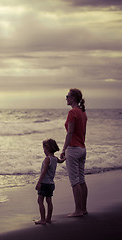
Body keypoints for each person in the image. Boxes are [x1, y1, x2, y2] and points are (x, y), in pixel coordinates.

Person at [60, 88, 88, 217]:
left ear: (73, 98)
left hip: (73, 149)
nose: (66, 98)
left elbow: (70, 133)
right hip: (82, 148)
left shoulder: (72, 112)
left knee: (75, 181)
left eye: (67, 96)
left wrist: (64, 149)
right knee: (81, 180)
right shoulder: (82, 112)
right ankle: (83, 209)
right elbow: (82, 132)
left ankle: (78, 210)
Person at [35, 139, 64, 225]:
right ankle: (48, 219)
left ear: (47, 148)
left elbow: (44, 172)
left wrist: (38, 182)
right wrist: (64, 158)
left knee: (40, 200)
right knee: (49, 201)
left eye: (43, 148)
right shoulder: (55, 159)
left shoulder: (47, 159)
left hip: (44, 183)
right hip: (51, 184)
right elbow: (61, 161)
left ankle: (43, 219)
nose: (43, 150)